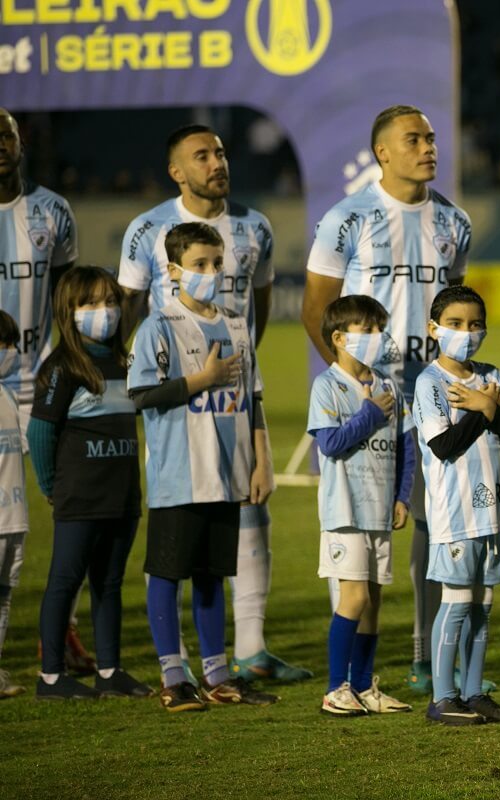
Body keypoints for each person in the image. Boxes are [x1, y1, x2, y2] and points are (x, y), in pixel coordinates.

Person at [117, 124, 306, 684]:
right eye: (202, 155)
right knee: (181, 532)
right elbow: (128, 307)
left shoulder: (254, 227)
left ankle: (250, 648)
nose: (216, 162)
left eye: (221, 152)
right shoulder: (147, 229)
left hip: (233, 390)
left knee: (251, 512)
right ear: (177, 170)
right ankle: (176, 669)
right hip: (179, 405)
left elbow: (260, 305)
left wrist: (237, 360)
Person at [302, 105, 478, 696]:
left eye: (431, 137)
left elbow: (451, 308)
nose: (428, 146)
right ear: (382, 152)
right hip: (371, 403)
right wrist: (354, 385)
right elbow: (317, 308)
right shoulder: (346, 219)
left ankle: (430, 657)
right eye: (414, 139)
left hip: (432, 396)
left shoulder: (455, 222)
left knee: (436, 522)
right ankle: (348, 679)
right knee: (358, 527)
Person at [128, 222, 277, 712]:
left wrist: (260, 461)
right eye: (199, 265)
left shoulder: (237, 324)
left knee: (213, 575)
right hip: (180, 476)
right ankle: (174, 675)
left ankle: (217, 674)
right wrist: (202, 379)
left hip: (229, 472)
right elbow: (142, 396)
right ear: (173, 271)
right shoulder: (158, 327)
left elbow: (252, 398)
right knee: (167, 576)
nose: (211, 272)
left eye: (216, 263)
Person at [0, 108, 94, 676]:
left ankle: (63, 631)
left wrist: (72, 367)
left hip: (38, 385)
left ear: (20, 141)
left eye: (4, 136)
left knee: (74, 507)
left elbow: (68, 299)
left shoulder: (52, 210)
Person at [30, 266, 150, 700]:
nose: (104, 311)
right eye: (90, 303)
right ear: (69, 311)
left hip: (122, 496)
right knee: (65, 581)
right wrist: (50, 485)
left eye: (110, 301)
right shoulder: (63, 367)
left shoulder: (125, 363)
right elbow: (40, 433)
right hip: (80, 496)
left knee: (110, 584)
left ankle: (109, 670)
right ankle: (51, 677)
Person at [411, 286, 500, 725]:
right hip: (455, 511)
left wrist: (487, 405)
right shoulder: (430, 382)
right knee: (455, 603)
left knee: (482, 603)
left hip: (493, 509)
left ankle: (475, 692)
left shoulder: (492, 374)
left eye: (475, 324)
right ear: (433, 328)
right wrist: (485, 410)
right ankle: (442, 698)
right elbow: (443, 445)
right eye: (455, 324)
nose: (466, 332)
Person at [307, 295, 415, 717]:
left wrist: (402, 496)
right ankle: (336, 688)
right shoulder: (327, 386)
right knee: (352, 598)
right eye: (367, 331)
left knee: (373, 601)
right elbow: (330, 444)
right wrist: (369, 413)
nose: (377, 338)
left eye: (379, 329)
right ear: (339, 338)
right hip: (346, 510)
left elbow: (406, 447)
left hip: (379, 510)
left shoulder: (389, 386)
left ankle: (366, 686)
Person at [0, 311, 28, 698]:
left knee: (4, 593)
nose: (8, 352)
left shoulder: (8, 395)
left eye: (10, 345)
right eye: (2, 345)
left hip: (15, 517)